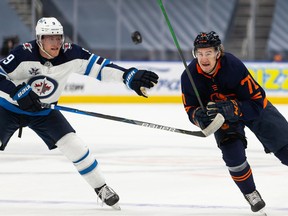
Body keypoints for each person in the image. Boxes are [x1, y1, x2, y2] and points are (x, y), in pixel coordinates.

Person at [0, 17, 159, 210]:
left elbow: (100, 67)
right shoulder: (22, 53)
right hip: (7, 108)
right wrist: (17, 91)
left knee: (75, 145)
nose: (56, 43)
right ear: (39, 39)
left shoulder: (71, 53)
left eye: (58, 38)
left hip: (44, 111)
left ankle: (101, 188)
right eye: (50, 38)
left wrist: (127, 75)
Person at [181, 31, 288, 213]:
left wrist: (235, 108)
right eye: (199, 53)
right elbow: (190, 108)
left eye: (208, 53)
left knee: (286, 148)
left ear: (217, 52)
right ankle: (250, 193)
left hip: (253, 109)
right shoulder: (189, 76)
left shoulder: (233, 66)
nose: (203, 58)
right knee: (233, 157)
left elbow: (258, 99)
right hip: (222, 118)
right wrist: (199, 117)